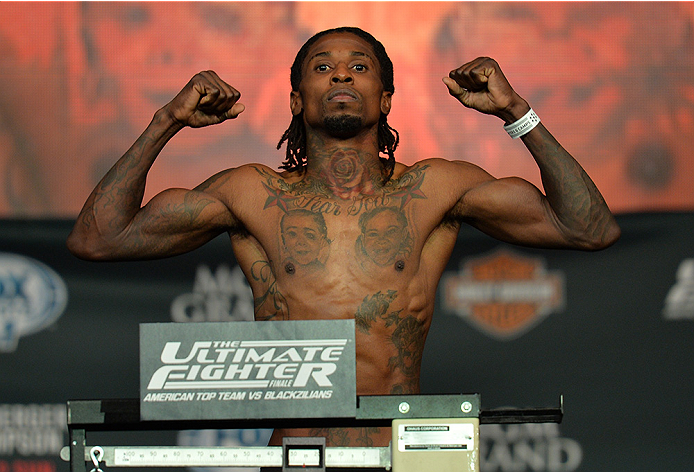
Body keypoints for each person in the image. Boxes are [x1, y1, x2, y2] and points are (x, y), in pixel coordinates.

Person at [67, 26, 620, 455]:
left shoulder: (436, 189)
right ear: (295, 99)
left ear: (383, 100)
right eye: (323, 67)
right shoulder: (251, 195)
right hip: (296, 455)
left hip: (401, 455)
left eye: (359, 67)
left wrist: (515, 111)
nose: (341, 77)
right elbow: (98, 238)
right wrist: (166, 120)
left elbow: (588, 227)